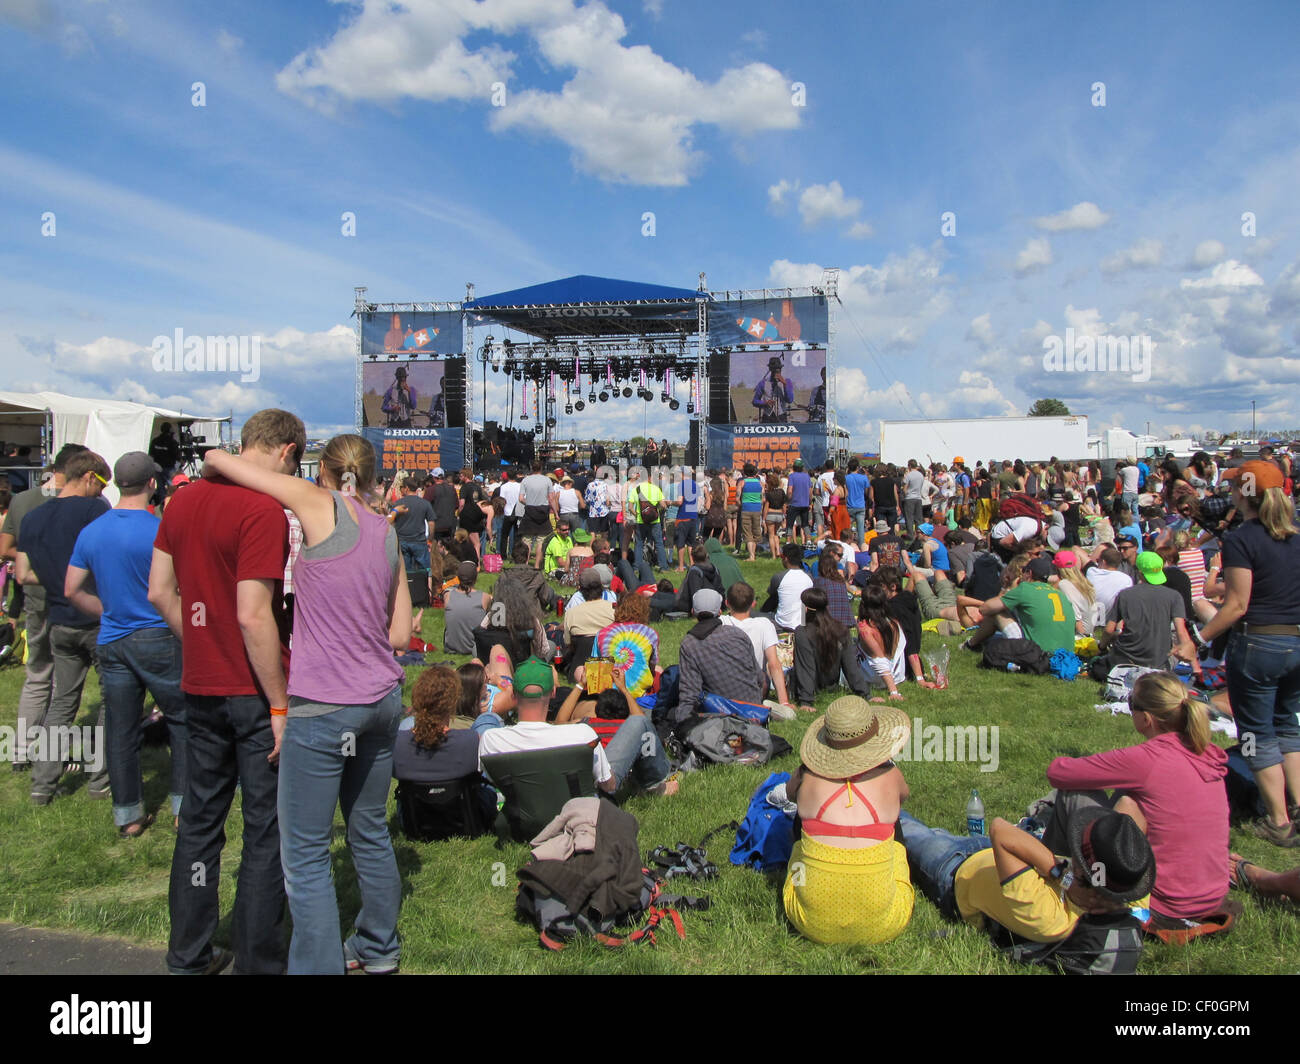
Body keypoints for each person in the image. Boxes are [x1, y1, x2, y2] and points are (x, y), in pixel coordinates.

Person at [202, 430, 412, 976]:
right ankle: (378, 948)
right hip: (382, 699)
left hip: (324, 704)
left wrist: (210, 465)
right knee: (368, 831)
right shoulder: (383, 531)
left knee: (306, 854)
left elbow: (222, 461)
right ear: (370, 475)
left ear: (323, 469)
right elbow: (400, 636)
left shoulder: (316, 502)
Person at [149, 409, 303, 975]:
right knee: (265, 830)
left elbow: (160, 591)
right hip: (254, 692)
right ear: (287, 452)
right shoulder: (262, 508)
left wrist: (198, 639)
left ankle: (188, 952)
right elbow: (253, 614)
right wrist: (281, 702)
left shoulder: (181, 501)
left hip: (200, 684)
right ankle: (259, 959)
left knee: (199, 824)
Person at [63, 452, 187, 836]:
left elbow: (71, 589)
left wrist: (108, 609)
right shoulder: (160, 530)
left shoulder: (93, 531)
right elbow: (178, 586)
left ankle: (128, 815)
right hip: (158, 635)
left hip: (113, 638)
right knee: (183, 720)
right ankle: (184, 808)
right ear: (153, 483)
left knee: (121, 728)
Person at [1045, 671, 1229, 924]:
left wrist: (1105, 772)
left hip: (1158, 902)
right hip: (1210, 897)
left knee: (1074, 793)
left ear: (1146, 718)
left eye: (1132, 703)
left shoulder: (1147, 760)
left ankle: (1060, 878)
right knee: (1129, 795)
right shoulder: (1208, 754)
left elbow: (1059, 772)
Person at [1194, 460, 1300, 847]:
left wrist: (1198, 637)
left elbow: (1237, 604)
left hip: (1258, 645)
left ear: (1243, 494)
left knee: (1256, 733)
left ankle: (1278, 820)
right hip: (1295, 644)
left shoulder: (1240, 540)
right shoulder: (1295, 537)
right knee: (1289, 726)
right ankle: (1297, 806)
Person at [900, 806, 1154, 952]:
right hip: (1012, 851)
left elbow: (1000, 828)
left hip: (956, 869)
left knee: (906, 827)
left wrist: (1061, 873)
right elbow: (1129, 812)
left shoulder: (1050, 918)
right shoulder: (1128, 886)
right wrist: (1074, 879)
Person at [15, 449, 113, 804]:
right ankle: (101, 781)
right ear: (88, 477)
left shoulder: (33, 518)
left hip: (58, 620)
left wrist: (58, 582)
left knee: (61, 704)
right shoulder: (95, 511)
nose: (103, 493)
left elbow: (23, 574)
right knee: (110, 703)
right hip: (96, 617)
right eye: (102, 485)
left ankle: (42, 785)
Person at [783, 697, 914, 945]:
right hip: (883, 923)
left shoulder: (806, 776)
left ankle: (807, 884)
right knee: (894, 829)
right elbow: (903, 796)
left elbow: (789, 794)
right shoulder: (891, 775)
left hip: (810, 920)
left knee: (800, 833)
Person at [0, 443, 86, 772]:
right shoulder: (82, 502)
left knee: (37, 674)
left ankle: (22, 751)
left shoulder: (22, 501)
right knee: (64, 683)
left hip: (36, 596)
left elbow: (6, 548)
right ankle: (50, 756)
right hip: (70, 600)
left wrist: (36, 563)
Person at [476, 657, 677, 797]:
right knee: (638, 722)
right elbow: (607, 785)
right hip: (578, 805)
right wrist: (618, 688)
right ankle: (656, 783)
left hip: (521, 819)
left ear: (513, 695)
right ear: (554, 692)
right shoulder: (581, 734)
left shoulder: (491, 740)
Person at [391, 666, 495, 823]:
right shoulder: (471, 740)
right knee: (488, 721)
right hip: (464, 817)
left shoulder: (398, 742)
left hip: (414, 819)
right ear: (453, 704)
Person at [675, 588, 766, 721]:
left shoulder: (690, 644)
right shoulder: (737, 634)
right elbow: (759, 679)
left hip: (721, 716)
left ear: (693, 612)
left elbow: (689, 694)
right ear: (720, 611)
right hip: (754, 712)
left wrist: (682, 721)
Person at [1097, 551, 1197, 671]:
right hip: (1158, 663)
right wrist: (1196, 668)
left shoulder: (1125, 595)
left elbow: (1108, 630)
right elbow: (1182, 632)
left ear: (1139, 573)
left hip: (1125, 660)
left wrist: (1101, 647)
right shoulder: (1174, 596)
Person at [964, 555, 1076, 655]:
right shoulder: (1058, 593)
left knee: (997, 612)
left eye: (1024, 571)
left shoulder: (1026, 589)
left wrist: (1007, 590)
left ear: (1029, 573)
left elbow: (985, 609)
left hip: (1037, 653)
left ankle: (970, 644)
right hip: (1066, 653)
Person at [790, 587, 876, 712]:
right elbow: (851, 666)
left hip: (811, 689)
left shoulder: (802, 632)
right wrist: (865, 694)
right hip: (831, 687)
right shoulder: (841, 629)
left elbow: (806, 667)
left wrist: (806, 701)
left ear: (806, 609)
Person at [719, 581, 793, 713]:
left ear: (727, 603)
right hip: (754, 689)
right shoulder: (764, 624)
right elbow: (774, 664)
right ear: (753, 603)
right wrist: (784, 702)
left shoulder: (721, 622)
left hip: (723, 689)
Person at [854, 583, 909, 699]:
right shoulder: (894, 623)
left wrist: (893, 691)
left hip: (876, 678)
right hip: (897, 675)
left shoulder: (865, 628)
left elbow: (879, 660)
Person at [762, 542, 814, 632]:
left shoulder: (779, 577)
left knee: (752, 614)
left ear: (786, 559)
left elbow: (772, 594)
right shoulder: (809, 577)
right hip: (802, 623)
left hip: (781, 624)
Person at [443, 560, 489, 655]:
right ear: (476, 578)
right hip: (475, 647)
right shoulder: (484, 597)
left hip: (451, 648)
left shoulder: (447, 596)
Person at [626, 468, 668, 570]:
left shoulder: (636, 490)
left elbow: (630, 507)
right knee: (658, 543)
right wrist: (656, 510)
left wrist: (637, 514)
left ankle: (637, 566)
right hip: (655, 520)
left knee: (639, 543)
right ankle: (663, 566)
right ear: (649, 478)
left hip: (641, 521)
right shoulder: (656, 489)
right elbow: (664, 505)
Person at [672, 541, 724, 615]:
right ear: (706, 555)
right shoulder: (715, 569)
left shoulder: (694, 571)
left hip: (692, 607)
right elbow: (720, 590)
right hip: (714, 605)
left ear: (692, 557)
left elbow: (695, 594)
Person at [1084, 547, 1133, 623]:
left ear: (1103, 562)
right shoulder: (1126, 580)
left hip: (1089, 618)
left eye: (1098, 561)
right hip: (1112, 620)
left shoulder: (1092, 572)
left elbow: (1077, 551)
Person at [753, 356, 794, 422]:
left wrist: (784, 384)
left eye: (779, 370)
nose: (777, 372)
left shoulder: (787, 381)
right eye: (774, 370)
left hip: (782, 417)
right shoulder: (763, 383)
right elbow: (755, 401)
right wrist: (765, 403)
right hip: (767, 417)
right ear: (770, 370)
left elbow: (790, 400)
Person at [844, 458, 871, 547]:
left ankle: (847, 544)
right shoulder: (864, 478)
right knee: (861, 529)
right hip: (860, 505)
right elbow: (867, 491)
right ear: (857, 467)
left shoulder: (846, 478)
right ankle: (861, 545)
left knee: (847, 528)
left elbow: (845, 492)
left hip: (849, 505)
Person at [786, 459, 812, 544]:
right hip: (805, 504)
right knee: (805, 524)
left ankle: (788, 542)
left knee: (790, 524)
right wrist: (809, 501)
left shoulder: (792, 476)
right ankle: (808, 541)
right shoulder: (807, 476)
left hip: (794, 503)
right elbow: (810, 491)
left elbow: (790, 490)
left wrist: (789, 500)